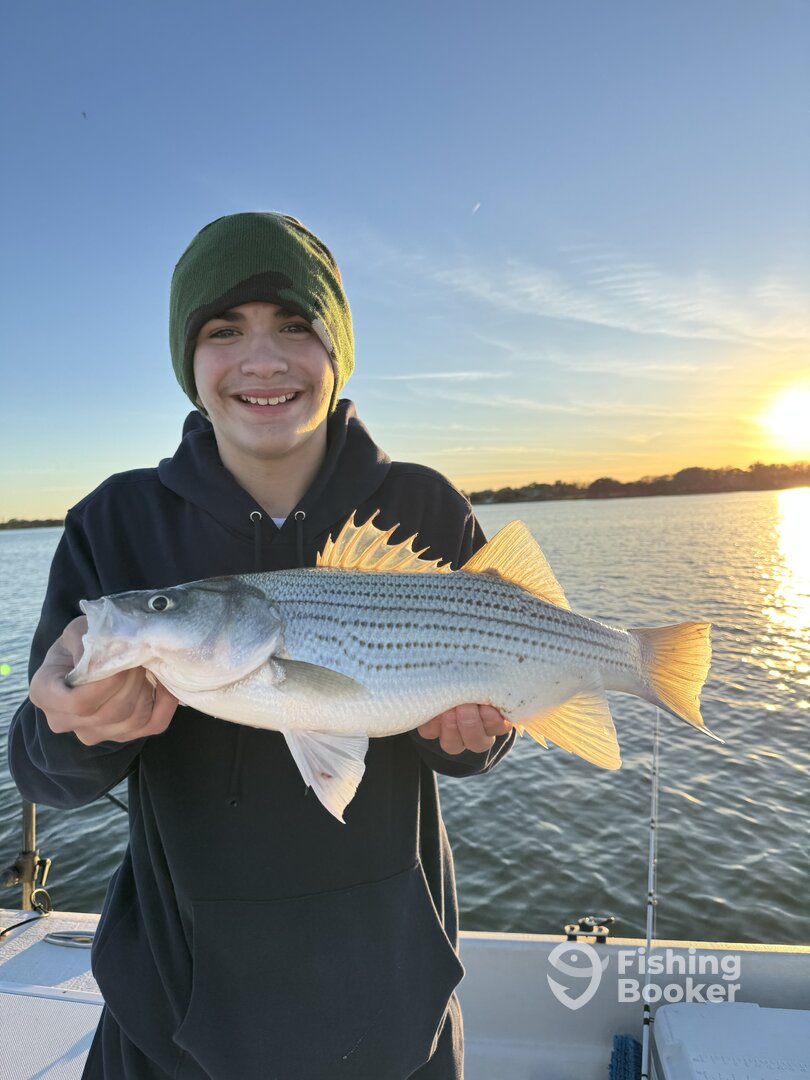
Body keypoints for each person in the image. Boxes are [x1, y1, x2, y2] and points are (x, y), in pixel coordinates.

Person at [9, 212, 515, 1080]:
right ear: (188, 361)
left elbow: (481, 734)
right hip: (172, 1009)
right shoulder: (116, 521)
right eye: (223, 330)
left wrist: (474, 737)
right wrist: (75, 726)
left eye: (294, 324)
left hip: (393, 1003)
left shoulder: (424, 504)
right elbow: (42, 771)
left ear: (336, 347)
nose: (263, 359)